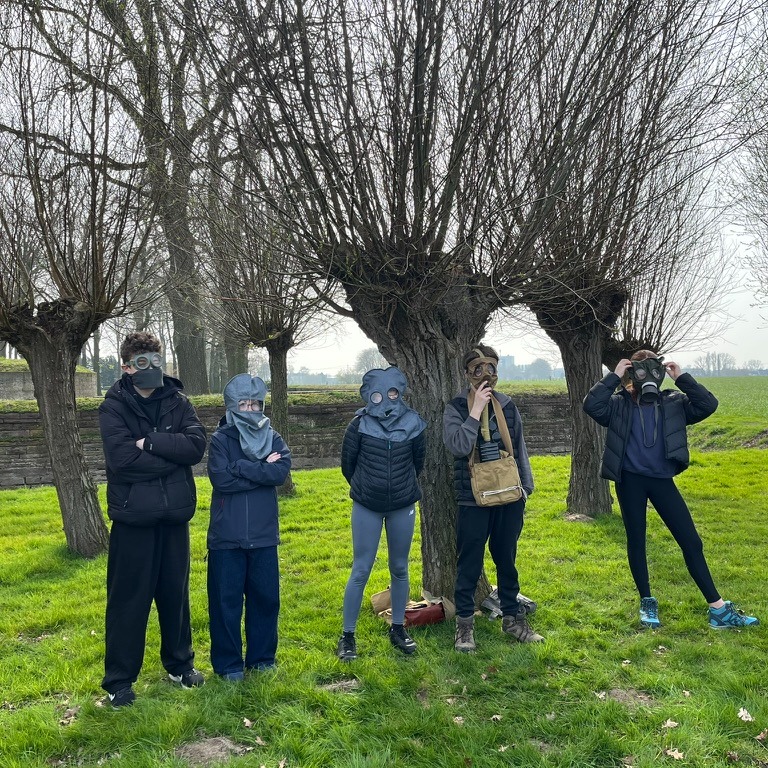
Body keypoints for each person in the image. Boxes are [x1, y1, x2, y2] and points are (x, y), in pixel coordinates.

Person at [583, 350, 759, 630]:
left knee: (691, 542)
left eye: (655, 370)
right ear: (633, 374)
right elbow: (592, 405)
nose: (648, 378)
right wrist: (614, 376)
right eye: (641, 372)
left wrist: (681, 377)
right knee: (637, 541)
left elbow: (708, 405)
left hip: (662, 480)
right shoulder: (618, 404)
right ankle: (647, 602)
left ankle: (718, 610)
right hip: (630, 481)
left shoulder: (673, 403)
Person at [99, 332, 207, 707]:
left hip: (174, 516)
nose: (151, 368)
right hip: (134, 519)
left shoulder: (178, 401)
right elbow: (122, 461)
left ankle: (180, 665)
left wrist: (149, 443)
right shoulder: (114, 405)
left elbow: (195, 447)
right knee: (129, 600)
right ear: (127, 367)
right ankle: (119, 681)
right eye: (142, 362)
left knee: (175, 597)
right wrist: (170, 455)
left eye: (156, 360)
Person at [443, 345, 542, 652]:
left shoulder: (507, 405)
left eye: (491, 368)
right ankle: (464, 627)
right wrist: (475, 411)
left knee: (506, 560)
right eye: (478, 369)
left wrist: (526, 488)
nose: (486, 374)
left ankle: (512, 619)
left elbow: (519, 447)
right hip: (473, 498)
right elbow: (458, 446)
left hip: (510, 496)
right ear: (467, 373)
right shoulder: (456, 407)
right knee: (469, 563)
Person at [337, 367, 427, 661]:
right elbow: (347, 465)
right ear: (368, 396)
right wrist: (368, 489)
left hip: (402, 504)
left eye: (392, 393)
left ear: (400, 392)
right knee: (361, 569)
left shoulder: (414, 423)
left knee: (400, 568)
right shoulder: (358, 425)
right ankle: (348, 636)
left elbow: (418, 462)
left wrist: (398, 489)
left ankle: (398, 629)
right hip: (367, 505)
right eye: (379, 394)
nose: (387, 399)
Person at [206, 375, 292, 680]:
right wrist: (259, 469)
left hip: (263, 534)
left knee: (266, 600)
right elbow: (222, 480)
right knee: (225, 603)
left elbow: (279, 473)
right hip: (226, 537)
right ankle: (229, 666)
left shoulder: (275, 438)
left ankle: (262, 659)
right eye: (243, 403)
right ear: (232, 407)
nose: (250, 409)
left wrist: (240, 467)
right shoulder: (220, 440)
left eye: (255, 403)